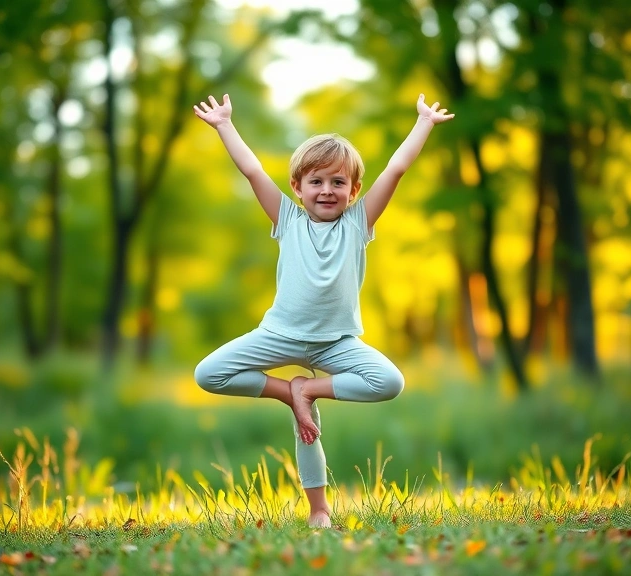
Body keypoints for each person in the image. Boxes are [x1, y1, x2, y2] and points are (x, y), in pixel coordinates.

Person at [192, 92, 454, 528]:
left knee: (389, 381)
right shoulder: (287, 220)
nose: (327, 190)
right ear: (297, 188)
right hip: (281, 334)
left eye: (338, 182)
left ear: (353, 190)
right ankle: (290, 392)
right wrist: (224, 125)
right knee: (208, 374)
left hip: (336, 343)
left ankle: (319, 507)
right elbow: (251, 168)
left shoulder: (359, 223)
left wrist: (423, 123)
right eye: (316, 182)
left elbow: (397, 168)